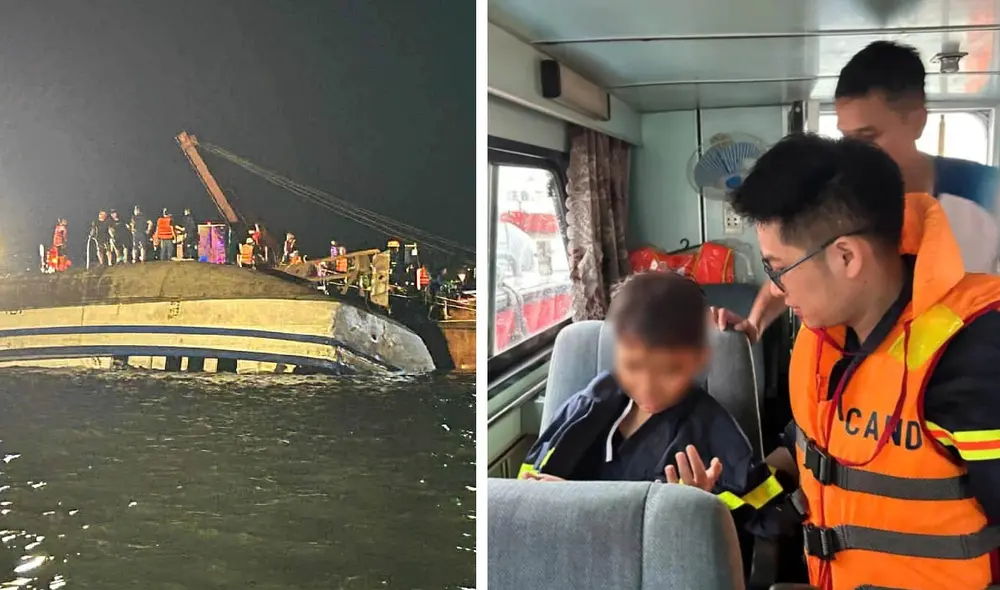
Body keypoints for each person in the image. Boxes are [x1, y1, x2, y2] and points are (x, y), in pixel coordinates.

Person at [710, 133, 1000, 589]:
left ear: (846, 256)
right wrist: (723, 501)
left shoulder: (975, 356)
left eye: (777, 268)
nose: (778, 291)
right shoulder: (821, 339)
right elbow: (803, 454)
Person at [717, 41, 1000, 344]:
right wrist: (754, 326)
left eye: (868, 136)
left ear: (917, 122)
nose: (855, 152)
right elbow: (796, 266)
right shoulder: (845, 193)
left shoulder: (986, 196)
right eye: (846, 138)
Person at [518, 272, 786, 537]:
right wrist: (548, 496)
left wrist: (707, 506)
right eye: (632, 366)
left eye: (669, 370)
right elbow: (529, 482)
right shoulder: (590, 405)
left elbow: (768, 517)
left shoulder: (711, 428)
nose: (647, 386)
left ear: (698, 359)